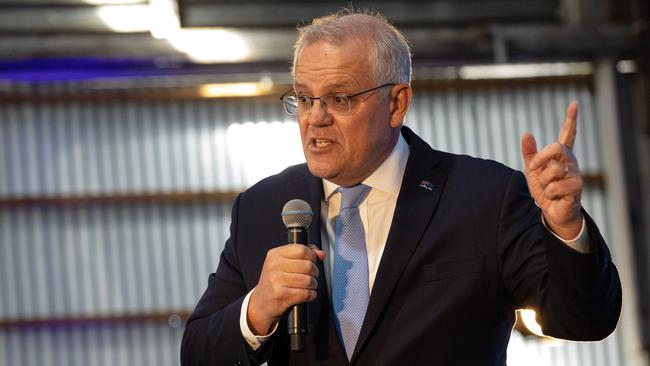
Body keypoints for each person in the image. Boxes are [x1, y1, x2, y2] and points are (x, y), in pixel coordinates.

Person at [181, 9, 622, 366]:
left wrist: (565, 228)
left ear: (397, 103)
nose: (315, 118)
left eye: (340, 99)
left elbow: (586, 321)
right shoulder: (263, 207)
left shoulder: (485, 197)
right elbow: (198, 352)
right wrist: (257, 310)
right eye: (304, 97)